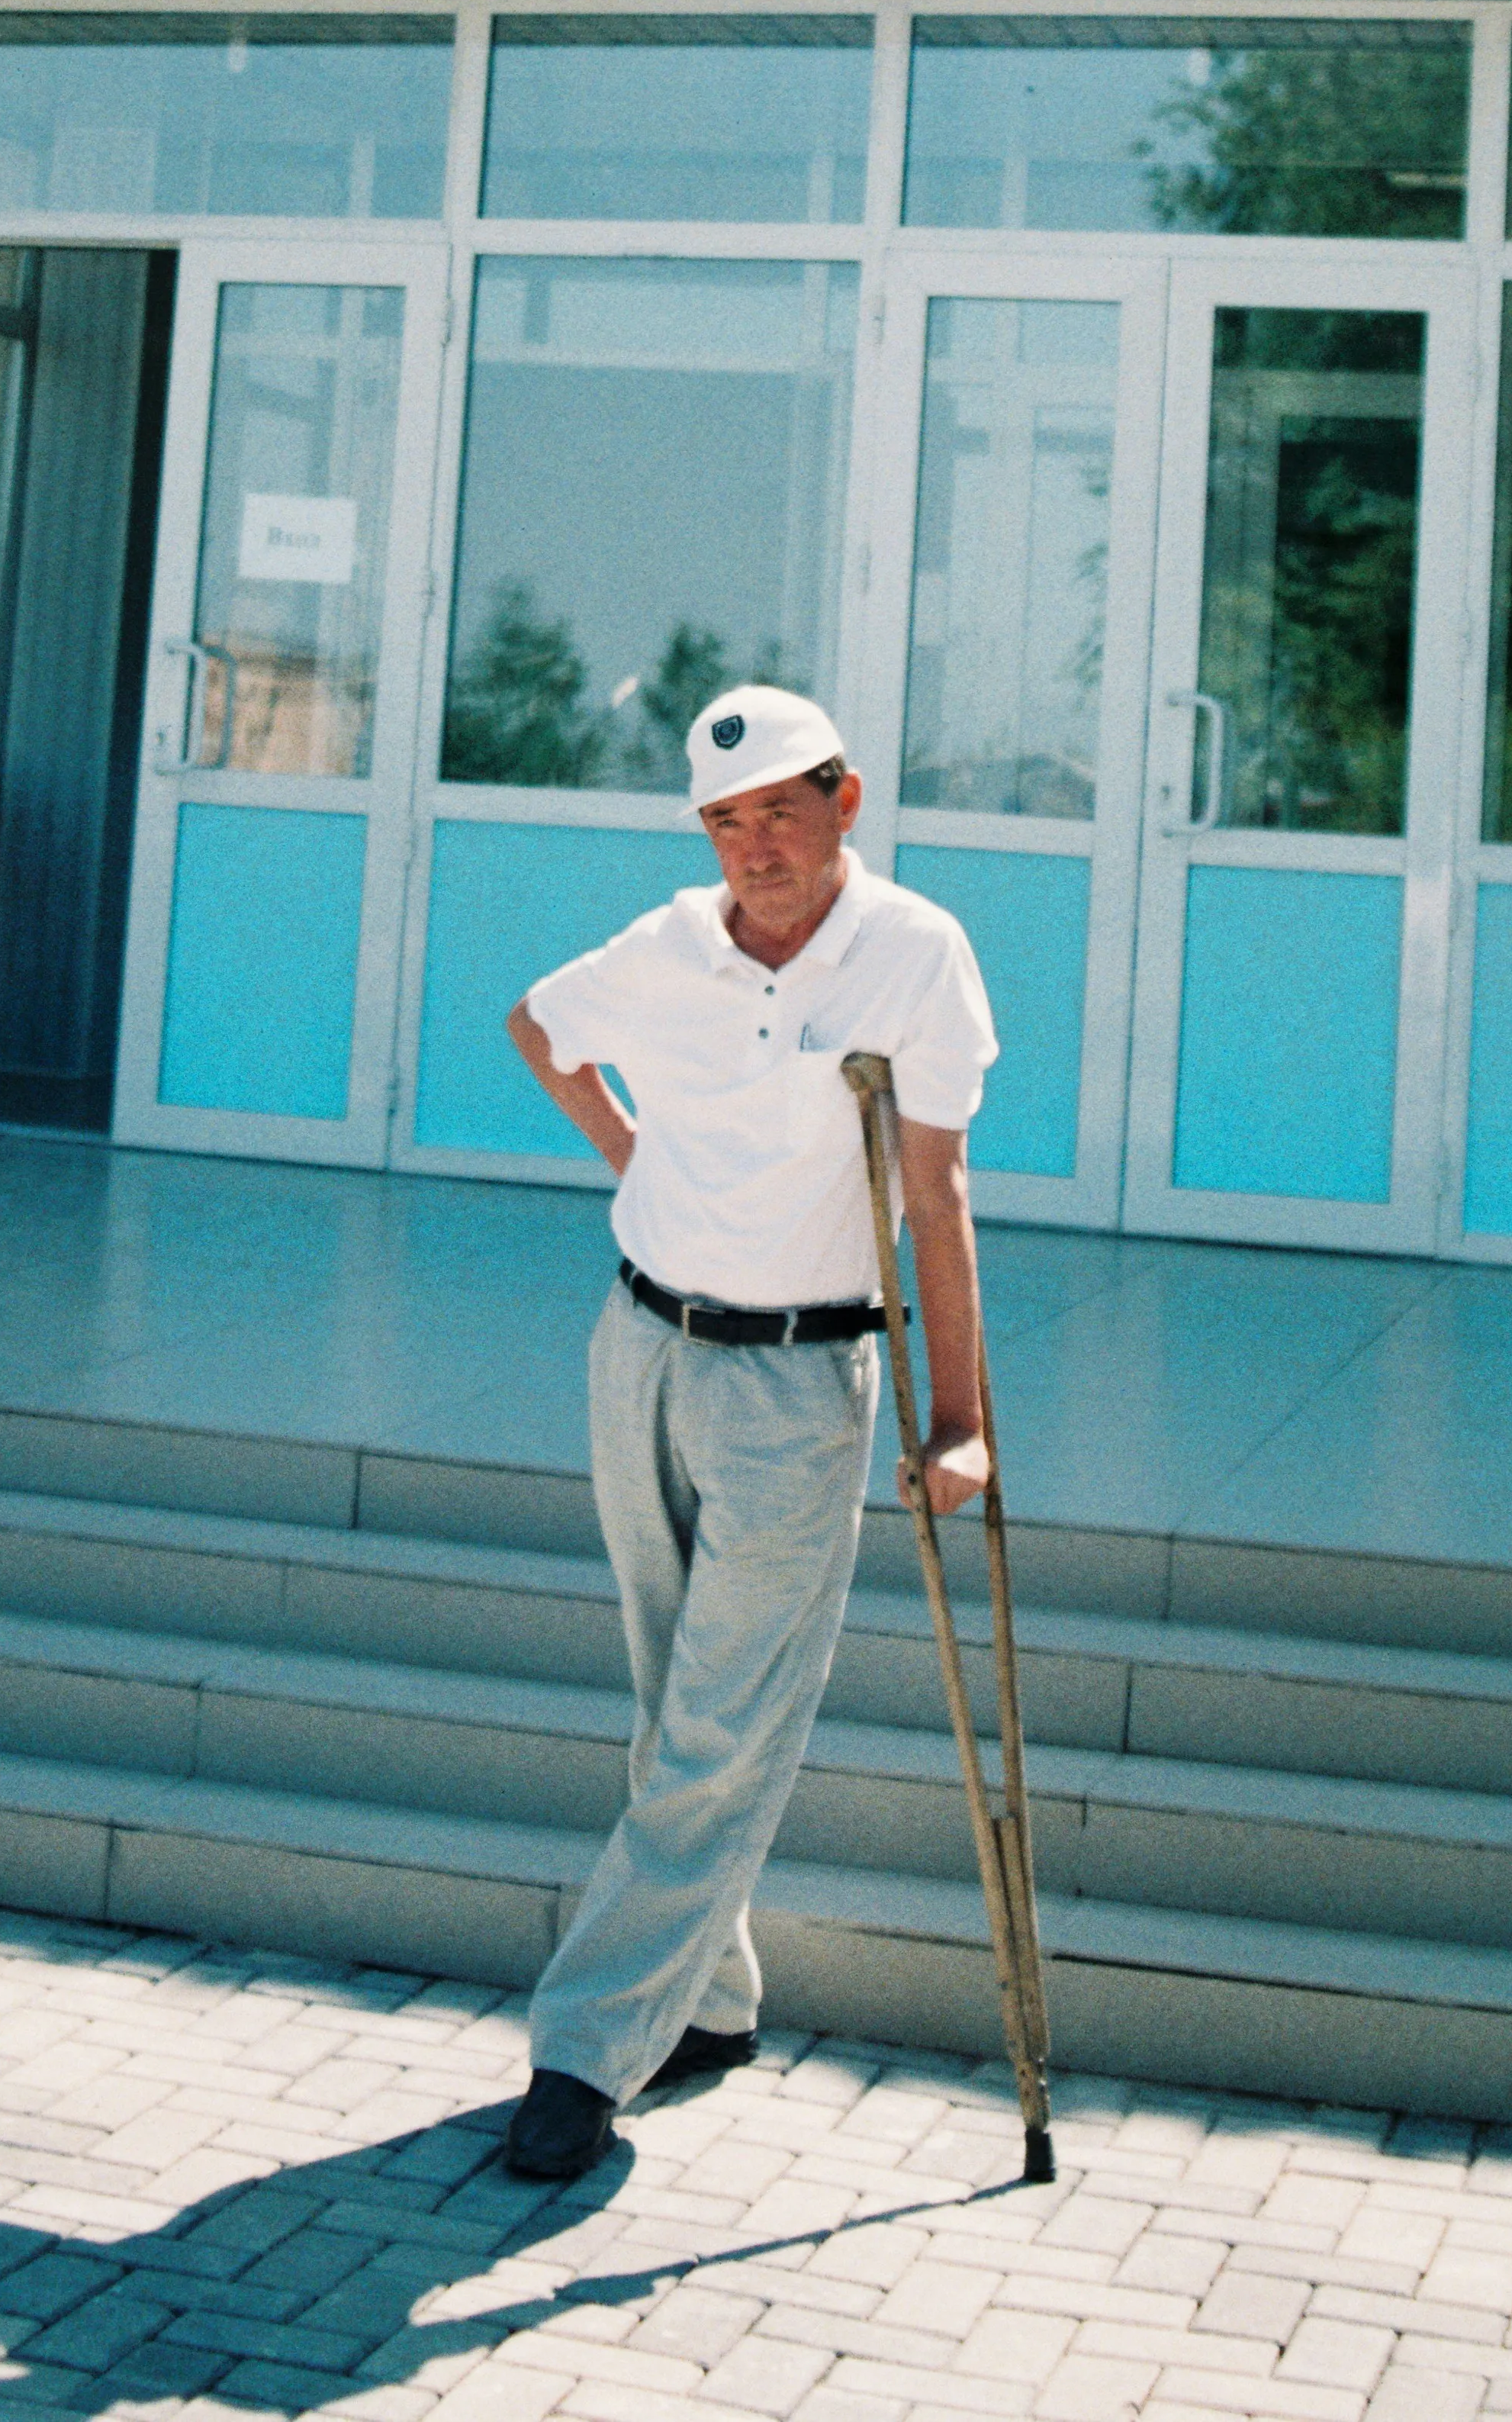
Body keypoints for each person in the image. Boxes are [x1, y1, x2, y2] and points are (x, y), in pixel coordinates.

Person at [498, 681, 998, 2185]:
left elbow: (934, 1197)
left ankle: (583, 2050)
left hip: (796, 1383)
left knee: (719, 1725)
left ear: (847, 802)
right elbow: (538, 1027)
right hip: (640, 1345)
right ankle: (708, 2002)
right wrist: (632, 1153)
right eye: (727, 820)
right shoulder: (667, 945)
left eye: (783, 807)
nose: (755, 843)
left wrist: (963, 1424)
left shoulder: (916, 955)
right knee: (675, 1703)